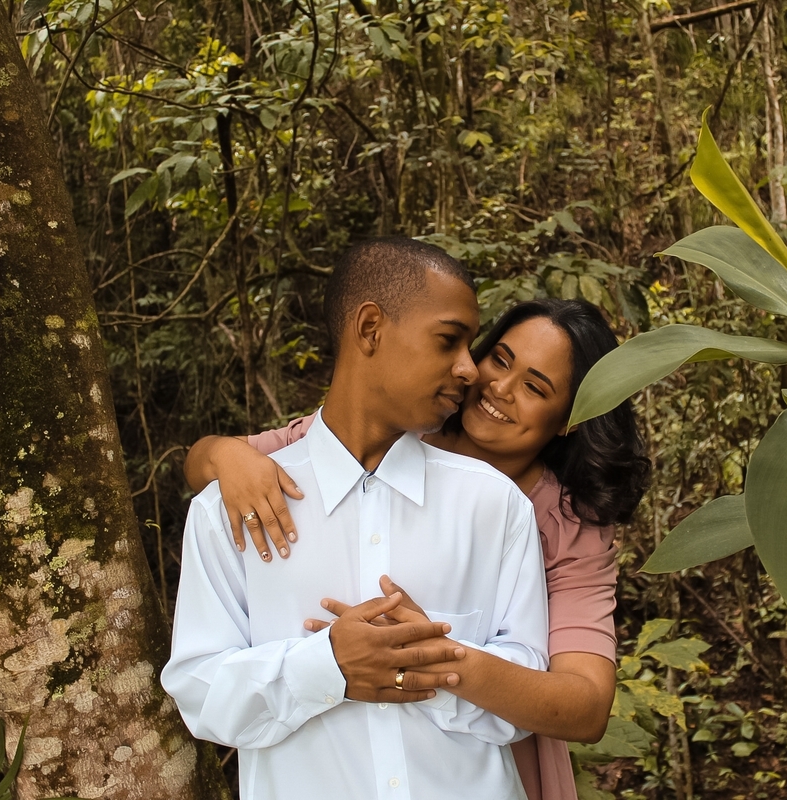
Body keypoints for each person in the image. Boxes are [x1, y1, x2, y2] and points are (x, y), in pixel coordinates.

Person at [185, 297, 652, 800]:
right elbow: (221, 467)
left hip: (493, 761)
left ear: (571, 419)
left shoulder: (565, 525)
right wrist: (224, 453)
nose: (500, 388)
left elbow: (585, 705)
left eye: (535, 387)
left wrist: (429, 655)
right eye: (499, 360)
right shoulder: (388, 432)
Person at [162, 238, 551, 800]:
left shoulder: (494, 505)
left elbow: (528, 691)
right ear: (370, 329)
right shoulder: (226, 512)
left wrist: (430, 660)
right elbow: (201, 695)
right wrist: (326, 666)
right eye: (449, 340)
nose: (470, 369)